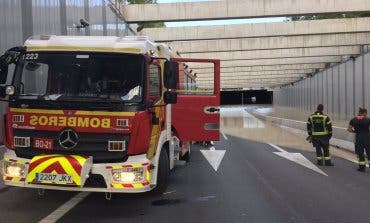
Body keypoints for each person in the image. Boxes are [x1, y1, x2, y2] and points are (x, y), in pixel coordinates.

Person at [347, 107, 370, 172]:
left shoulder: (353, 120)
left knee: (360, 153)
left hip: (358, 138)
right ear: (364, 113)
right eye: (366, 113)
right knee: (369, 152)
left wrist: (355, 131)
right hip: (367, 138)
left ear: (359, 112)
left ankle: (362, 168)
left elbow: (349, 129)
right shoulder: (368, 119)